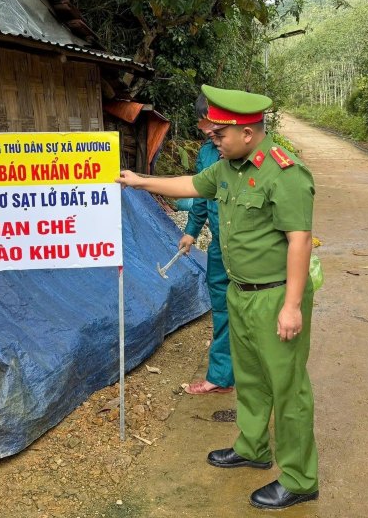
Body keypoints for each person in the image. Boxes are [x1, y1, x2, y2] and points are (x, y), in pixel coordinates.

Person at [116, 84, 319, 510]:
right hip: (240, 292)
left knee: (287, 388)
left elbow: (299, 241)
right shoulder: (227, 167)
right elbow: (190, 184)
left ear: (247, 132)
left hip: (276, 295)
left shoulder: (285, 173)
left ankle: (300, 478)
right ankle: (252, 448)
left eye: (219, 135)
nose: (213, 140)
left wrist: (292, 306)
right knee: (248, 378)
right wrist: (139, 181)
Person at [181, 94, 233, 395]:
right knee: (222, 308)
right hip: (219, 247)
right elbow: (200, 195)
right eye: (207, 131)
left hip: (251, 253)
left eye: (218, 131)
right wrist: (190, 230)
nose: (214, 138)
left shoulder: (252, 156)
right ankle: (223, 376)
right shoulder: (206, 155)